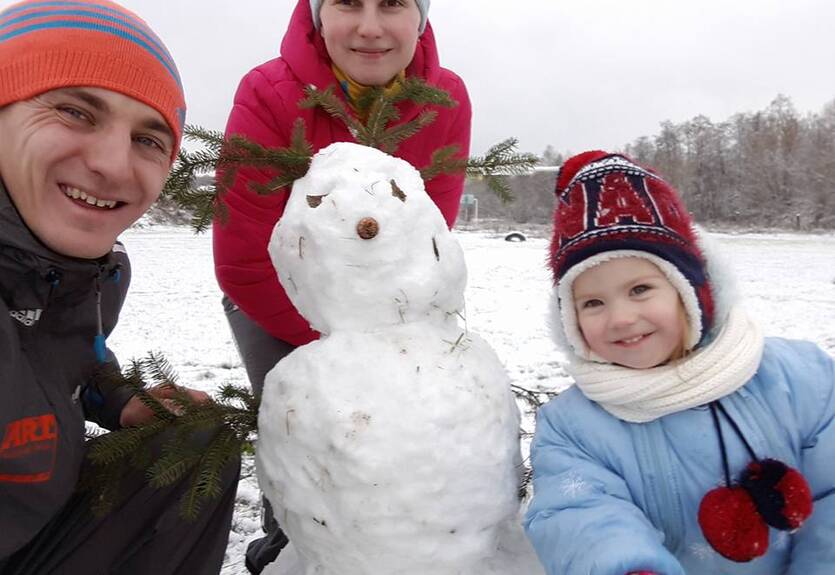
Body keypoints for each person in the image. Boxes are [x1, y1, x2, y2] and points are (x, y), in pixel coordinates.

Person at [213, 0, 471, 571]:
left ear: (420, 17)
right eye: (349, 3)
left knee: (394, 444)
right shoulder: (268, 92)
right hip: (275, 304)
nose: (371, 27)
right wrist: (343, 356)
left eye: (393, 4)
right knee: (308, 439)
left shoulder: (445, 96)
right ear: (316, 14)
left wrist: (388, 342)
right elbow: (243, 260)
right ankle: (289, 550)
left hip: (392, 314)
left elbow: (428, 238)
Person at [0, 1, 239, 573]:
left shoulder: (89, 272)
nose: (112, 164)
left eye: (149, 140)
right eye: (75, 111)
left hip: (39, 529)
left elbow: (73, 356)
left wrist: (123, 399)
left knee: (197, 440)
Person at [524, 151, 835, 575]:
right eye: (592, 302)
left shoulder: (803, 378)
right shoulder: (572, 427)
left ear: (692, 291)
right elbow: (579, 514)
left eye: (640, 289)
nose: (621, 318)